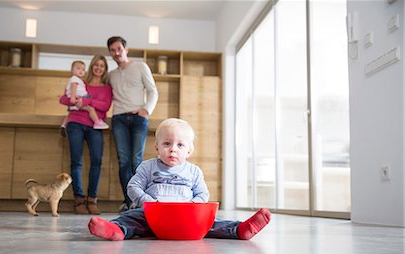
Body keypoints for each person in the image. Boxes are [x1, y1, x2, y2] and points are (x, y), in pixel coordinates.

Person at [88, 118, 271, 241]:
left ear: (189, 151)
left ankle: (239, 230)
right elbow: (133, 186)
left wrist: (195, 205)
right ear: (157, 147)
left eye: (180, 145)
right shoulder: (148, 167)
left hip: (186, 217)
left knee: (213, 222)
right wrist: (147, 201)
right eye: (167, 144)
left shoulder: (193, 171)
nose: (173, 149)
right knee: (131, 217)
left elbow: (202, 193)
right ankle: (116, 230)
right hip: (153, 215)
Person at [107, 36, 159, 213]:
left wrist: (147, 110)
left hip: (138, 118)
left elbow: (153, 91)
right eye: (112, 50)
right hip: (119, 118)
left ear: (126, 50)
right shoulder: (111, 75)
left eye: (119, 49)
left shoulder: (140, 66)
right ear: (110, 53)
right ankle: (129, 201)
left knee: (137, 161)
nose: (116, 53)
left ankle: (139, 201)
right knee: (123, 161)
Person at [59, 55, 112, 215]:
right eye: (96, 65)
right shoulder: (81, 81)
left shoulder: (107, 88)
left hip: (96, 126)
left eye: (102, 65)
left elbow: (106, 106)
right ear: (91, 67)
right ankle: (79, 199)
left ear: (105, 69)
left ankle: (92, 200)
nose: (98, 68)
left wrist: (87, 102)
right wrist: (76, 101)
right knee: (76, 162)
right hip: (76, 123)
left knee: (96, 161)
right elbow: (63, 99)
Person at [60, 60, 108, 133]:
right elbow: (71, 89)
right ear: (72, 70)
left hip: (78, 100)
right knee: (90, 109)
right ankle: (97, 122)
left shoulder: (78, 80)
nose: (81, 71)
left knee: (70, 113)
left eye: (83, 69)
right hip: (78, 101)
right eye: (78, 68)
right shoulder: (75, 79)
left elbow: (105, 106)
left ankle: (64, 125)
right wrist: (73, 97)